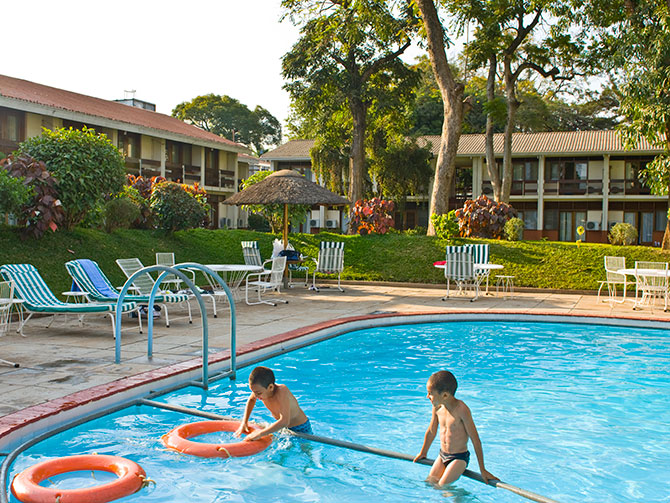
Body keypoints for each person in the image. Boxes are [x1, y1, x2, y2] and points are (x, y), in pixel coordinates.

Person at [414, 370, 497, 487]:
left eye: (430, 393)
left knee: (442, 486)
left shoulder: (462, 410)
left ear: (445, 395)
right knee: (430, 482)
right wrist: (423, 452)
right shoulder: (437, 408)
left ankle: (461, 498)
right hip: (442, 455)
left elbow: (475, 440)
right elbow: (431, 431)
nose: (427, 396)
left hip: (459, 458)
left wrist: (482, 469)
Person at [234, 366, 311, 441]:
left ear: (270, 387)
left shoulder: (282, 391)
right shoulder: (260, 391)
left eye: (258, 393)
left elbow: (284, 421)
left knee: (305, 451)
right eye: (253, 392)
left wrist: (260, 433)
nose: (256, 396)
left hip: (301, 428)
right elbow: (251, 400)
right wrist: (244, 422)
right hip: (282, 427)